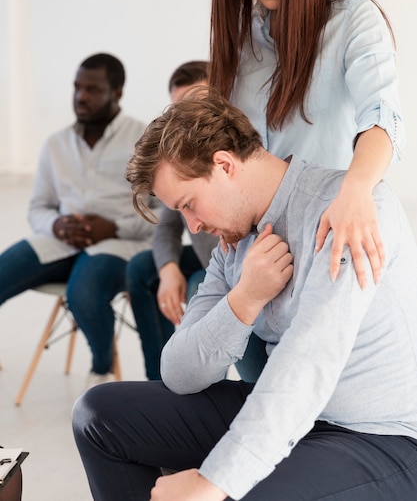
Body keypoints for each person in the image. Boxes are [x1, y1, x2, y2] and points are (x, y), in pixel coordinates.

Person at [72, 92, 417, 501]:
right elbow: (178, 373)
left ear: (224, 165)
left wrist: (212, 481)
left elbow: (309, 362)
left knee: (239, 493)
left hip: (378, 436)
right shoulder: (234, 246)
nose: (193, 226)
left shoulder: (349, 211)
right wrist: (244, 299)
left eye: (189, 205)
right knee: (99, 416)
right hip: (300, 422)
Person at [208, 0, 405, 291]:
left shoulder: (354, 19)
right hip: (254, 255)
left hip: (328, 240)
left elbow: (382, 118)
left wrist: (356, 189)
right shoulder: (241, 37)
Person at [0, 53, 158, 386]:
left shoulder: (145, 139)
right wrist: (56, 225)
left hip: (118, 244)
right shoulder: (55, 144)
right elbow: (38, 208)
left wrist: (113, 226)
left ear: (117, 92)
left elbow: (162, 213)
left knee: (83, 293)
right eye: (76, 88)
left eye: (92, 89)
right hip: (60, 241)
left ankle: (101, 367)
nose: (80, 97)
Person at [126, 60, 217, 380]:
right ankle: (157, 379)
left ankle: (198, 389)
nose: (188, 118)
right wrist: (168, 270)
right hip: (206, 257)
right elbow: (167, 224)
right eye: (179, 110)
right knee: (141, 269)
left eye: (198, 103)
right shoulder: (183, 158)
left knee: (196, 289)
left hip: (230, 267)